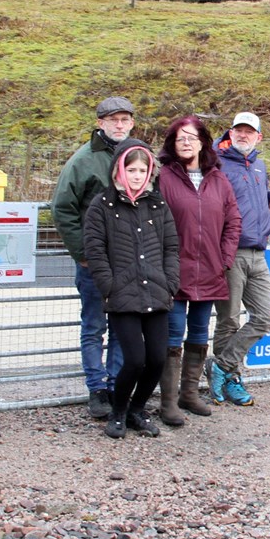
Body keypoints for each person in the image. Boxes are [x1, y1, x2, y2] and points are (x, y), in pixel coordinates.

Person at [82, 139, 179, 439]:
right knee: (134, 359)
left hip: (157, 292)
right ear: (118, 171)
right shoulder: (102, 206)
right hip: (122, 295)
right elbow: (95, 251)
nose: (137, 176)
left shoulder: (158, 204)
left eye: (142, 170)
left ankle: (139, 409)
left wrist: (170, 282)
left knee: (157, 359)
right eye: (131, 169)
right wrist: (108, 286)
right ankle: (119, 411)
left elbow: (171, 247)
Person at [52, 96, 135, 421]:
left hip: (127, 260)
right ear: (100, 122)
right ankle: (96, 388)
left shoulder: (136, 156)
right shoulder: (83, 161)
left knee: (121, 326)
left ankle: (117, 385)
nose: (118, 125)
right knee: (94, 325)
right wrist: (83, 253)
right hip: (95, 262)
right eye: (112, 119)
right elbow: (63, 208)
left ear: (131, 123)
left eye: (124, 119)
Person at [156, 114, 240, 422]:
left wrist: (225, 259)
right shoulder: (163, 177)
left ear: (203, 141)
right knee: (173, 332)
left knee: (200, 331)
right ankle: (168, 402)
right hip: (175, 270)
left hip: (209, 271)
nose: (186, 142)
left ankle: (189, 394)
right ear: (172, 144)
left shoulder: (218, 179)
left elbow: (233, 221)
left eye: (192, 137)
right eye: (180, 138)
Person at [208, 111, 270, 405]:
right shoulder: (216, 163)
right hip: (230, 251)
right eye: (238, 130)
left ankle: (220, 366)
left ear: (258, 137)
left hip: (258, 252)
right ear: (230, 133)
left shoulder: (258, 165)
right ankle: (232, 379)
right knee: (228, 319)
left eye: (249, 131)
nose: (243, 135)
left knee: (267, 317)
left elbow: (260, 191)